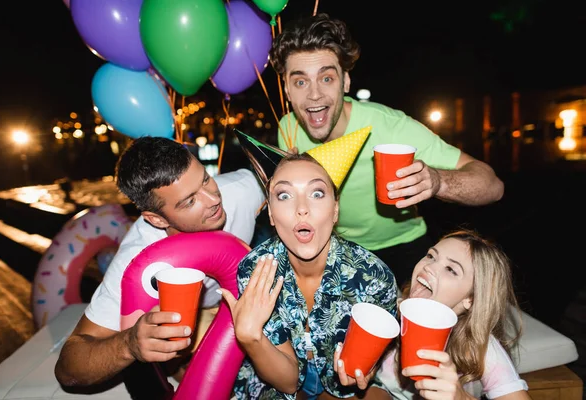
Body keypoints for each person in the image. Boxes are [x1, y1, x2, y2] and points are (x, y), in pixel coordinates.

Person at [270, 13, 505, 286]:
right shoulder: (287, 128)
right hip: (332, 252)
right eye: (300, 82)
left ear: (345, 82)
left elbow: (493, 186)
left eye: (326, 78)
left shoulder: (391, 127)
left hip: (402, 250)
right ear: (286, 89)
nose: (313, 95)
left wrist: (438, 181)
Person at [54, 136, 266, 391]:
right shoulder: (138, 261)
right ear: (156, 219)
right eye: (189, 201)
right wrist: (129, 344)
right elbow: (68, 369)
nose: (213, 200)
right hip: (191, 321)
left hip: (236, 298)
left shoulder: (240, 189)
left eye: (206, 179)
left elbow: (295, 167)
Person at [219, 151, 398, 400]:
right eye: (284, 195)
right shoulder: (256, 271)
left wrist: (366, 369)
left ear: (335, 210)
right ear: (270, 213)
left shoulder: (374, 277)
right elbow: (288, 383)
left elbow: (358, 377)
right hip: (275, 379)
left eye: (316, 194)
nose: (301, 209)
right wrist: (251, 338)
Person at [373, 229, 531, 399]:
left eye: (451, 269)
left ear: (470, 299)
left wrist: (461, 397)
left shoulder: (480, 346)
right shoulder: (388, 311)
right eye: (431, 256)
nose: (429, 266)